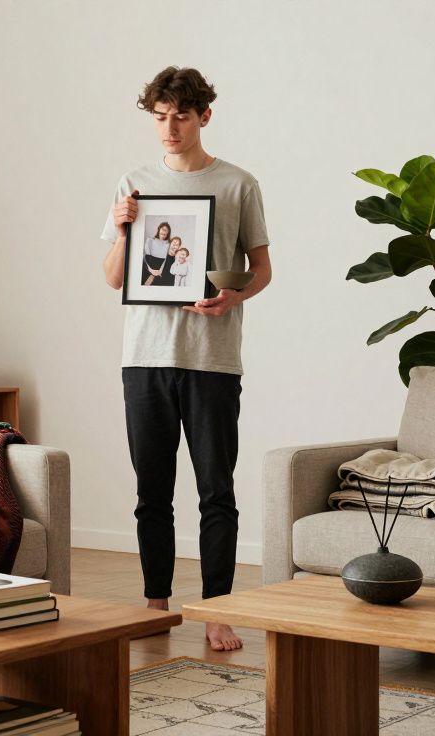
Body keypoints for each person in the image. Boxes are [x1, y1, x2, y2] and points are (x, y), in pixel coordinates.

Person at [100, 66, 273, 652]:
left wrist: (233, 296)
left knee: (215, 491)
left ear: (204, 116)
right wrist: (125, 230)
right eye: (159, 116)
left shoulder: (238, 184)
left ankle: (217, 613)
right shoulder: (133, 182)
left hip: (212, 360)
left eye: (180, 115)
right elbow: (112, 278)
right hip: (144, 358)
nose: (169, 127)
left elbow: (262, 269)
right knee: (152, 489)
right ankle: (154, 606)